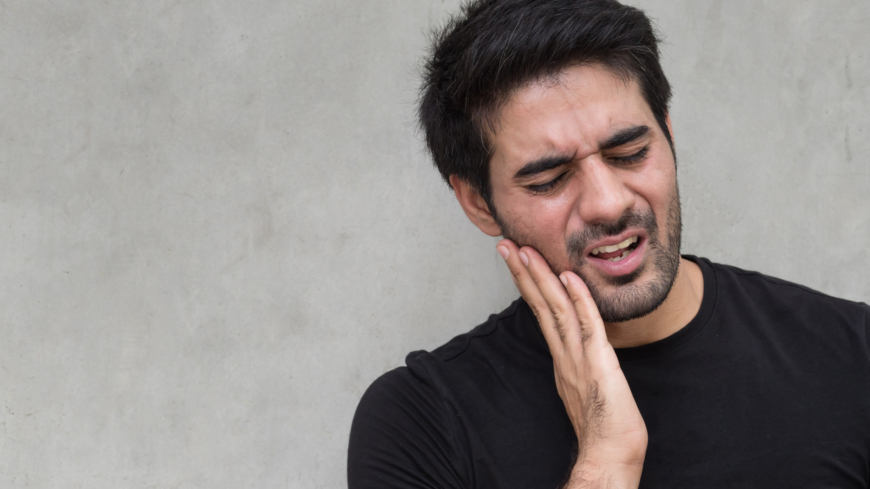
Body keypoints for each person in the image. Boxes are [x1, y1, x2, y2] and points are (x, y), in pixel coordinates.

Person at [347, 0, 870, 487]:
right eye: (549, 179)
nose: (607, 203)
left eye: (630, 152)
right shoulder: (421, 422)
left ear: (667, 133)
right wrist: (606, 457)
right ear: (478, 203)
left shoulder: (854, 354)